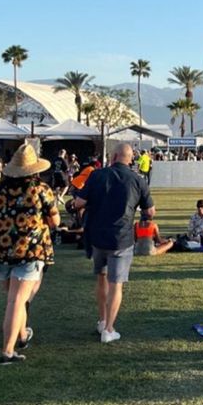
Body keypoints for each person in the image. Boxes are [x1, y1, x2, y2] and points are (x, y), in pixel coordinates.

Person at [0, 143, 60, 364]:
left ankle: (23, 334)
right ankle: (8, 350)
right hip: (30, 249)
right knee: (17, 300)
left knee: (14, 298)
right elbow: (55, 221)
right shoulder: (40, 189)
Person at [73, 142, 154, 344]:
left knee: (101, 278)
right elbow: (150, 211)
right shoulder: (138, 179)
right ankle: (109, 329)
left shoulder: (97, 175)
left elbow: (79, 203)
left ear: (115, 156)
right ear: (129, 158)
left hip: (97, 235)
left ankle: (102, 320)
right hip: (121, 237)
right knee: (116, 284)